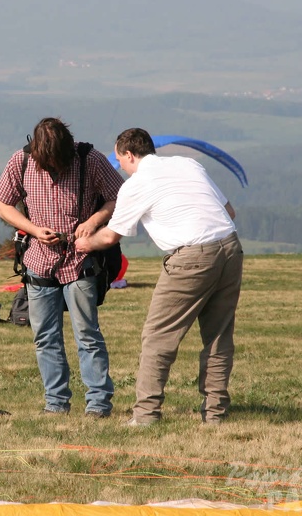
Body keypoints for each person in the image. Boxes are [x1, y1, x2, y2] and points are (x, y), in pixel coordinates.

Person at [75, 128, 243, 426]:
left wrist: (84, 242)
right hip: (230, 248)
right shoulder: (188, 164)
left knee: (158, 338)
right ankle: (216, 413)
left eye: (120, 160)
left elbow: (111, 237)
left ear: (129, 155)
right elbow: (229, 211)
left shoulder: (137, 184)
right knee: (218, 336)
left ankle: (145, 414)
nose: (121, 167)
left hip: (190, 256)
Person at [0, 117, 124, 418]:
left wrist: (91, 222)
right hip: (39, 262)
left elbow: (119, 197)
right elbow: (3, 205)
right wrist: (34, 230)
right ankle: (55, 404)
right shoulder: (21, 160)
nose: (53, 168)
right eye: (47, 163)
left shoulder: (90, 159)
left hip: (80, 262)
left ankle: (99, 405)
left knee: (87, 334)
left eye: (58, 163)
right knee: (45, 337)